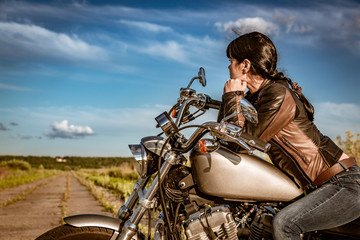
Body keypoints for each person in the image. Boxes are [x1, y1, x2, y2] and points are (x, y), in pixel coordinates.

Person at [217, 31, 360, 239]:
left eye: (231, 61)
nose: (229, 67)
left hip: (343, 184)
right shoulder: (257, 99)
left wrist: (232, 95)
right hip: (322, 187)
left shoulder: (277, 94)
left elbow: (240, 143)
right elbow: (227, 138)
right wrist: (233, 99)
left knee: (285, 224)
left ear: (245, 65)